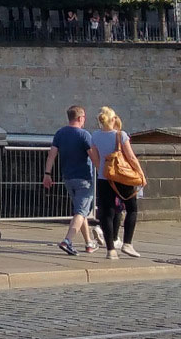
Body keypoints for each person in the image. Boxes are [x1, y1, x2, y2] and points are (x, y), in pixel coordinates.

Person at [44, 103, 100, 257]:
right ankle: (67, 241)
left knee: (80, 211)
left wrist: (47, 173)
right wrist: (103, 172)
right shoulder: (84, 135)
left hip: (68, 178)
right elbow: (93, 157)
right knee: (81, 212)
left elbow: (51, 155)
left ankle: (89, 243)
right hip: (84, 179)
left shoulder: (60, 133)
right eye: (84, 117)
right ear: (80, 118)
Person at [91, 105, 145, 258]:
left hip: (104, 178)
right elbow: (131, 157)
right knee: (132, 209)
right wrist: (141, 174)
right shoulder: (121, 135)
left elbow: (95, 158)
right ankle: (127, 244)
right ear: (113, 119)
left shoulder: (95, 135)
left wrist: (103, 170)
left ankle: (110, 250)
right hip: (122, 178)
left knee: (107, 213)